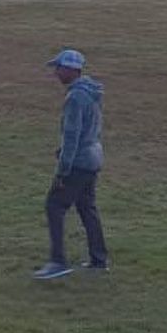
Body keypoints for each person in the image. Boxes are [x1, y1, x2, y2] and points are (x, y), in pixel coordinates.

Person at [33, 49, 108, 280]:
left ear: (70, 70)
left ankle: (58, 261)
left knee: (54, 205)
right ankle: (99, 259)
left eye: (59, 68)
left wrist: (63, 169)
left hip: (79, 162)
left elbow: (72, 136)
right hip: (94, 156)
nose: (56, 73)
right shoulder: (91, 92)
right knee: (87, 208)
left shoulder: (75, 97)